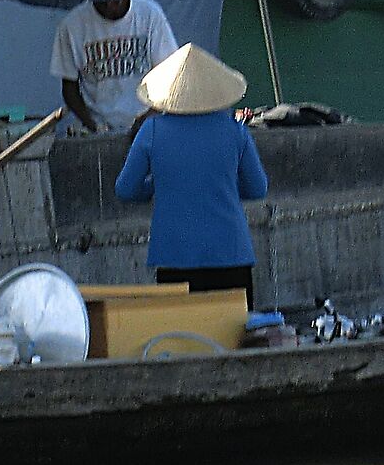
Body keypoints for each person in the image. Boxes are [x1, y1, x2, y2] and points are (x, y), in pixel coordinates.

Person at [114, 44, 269, 305]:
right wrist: (223, 187)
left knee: (181, 339)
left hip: (174, 255)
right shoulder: (236, 132)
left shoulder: (151, 130)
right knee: (233, 339)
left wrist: (157, 186)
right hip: (230, 253)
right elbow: (257, 188)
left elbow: (125, 189)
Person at [51, 0, 177, 135]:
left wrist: (151, 115)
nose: (110, 5)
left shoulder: (150, 15)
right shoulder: (71, 26)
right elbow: (69, 88)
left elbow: (171, 75)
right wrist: (93, 125)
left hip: (148, 122)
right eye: (102, 0)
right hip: (100, 124)